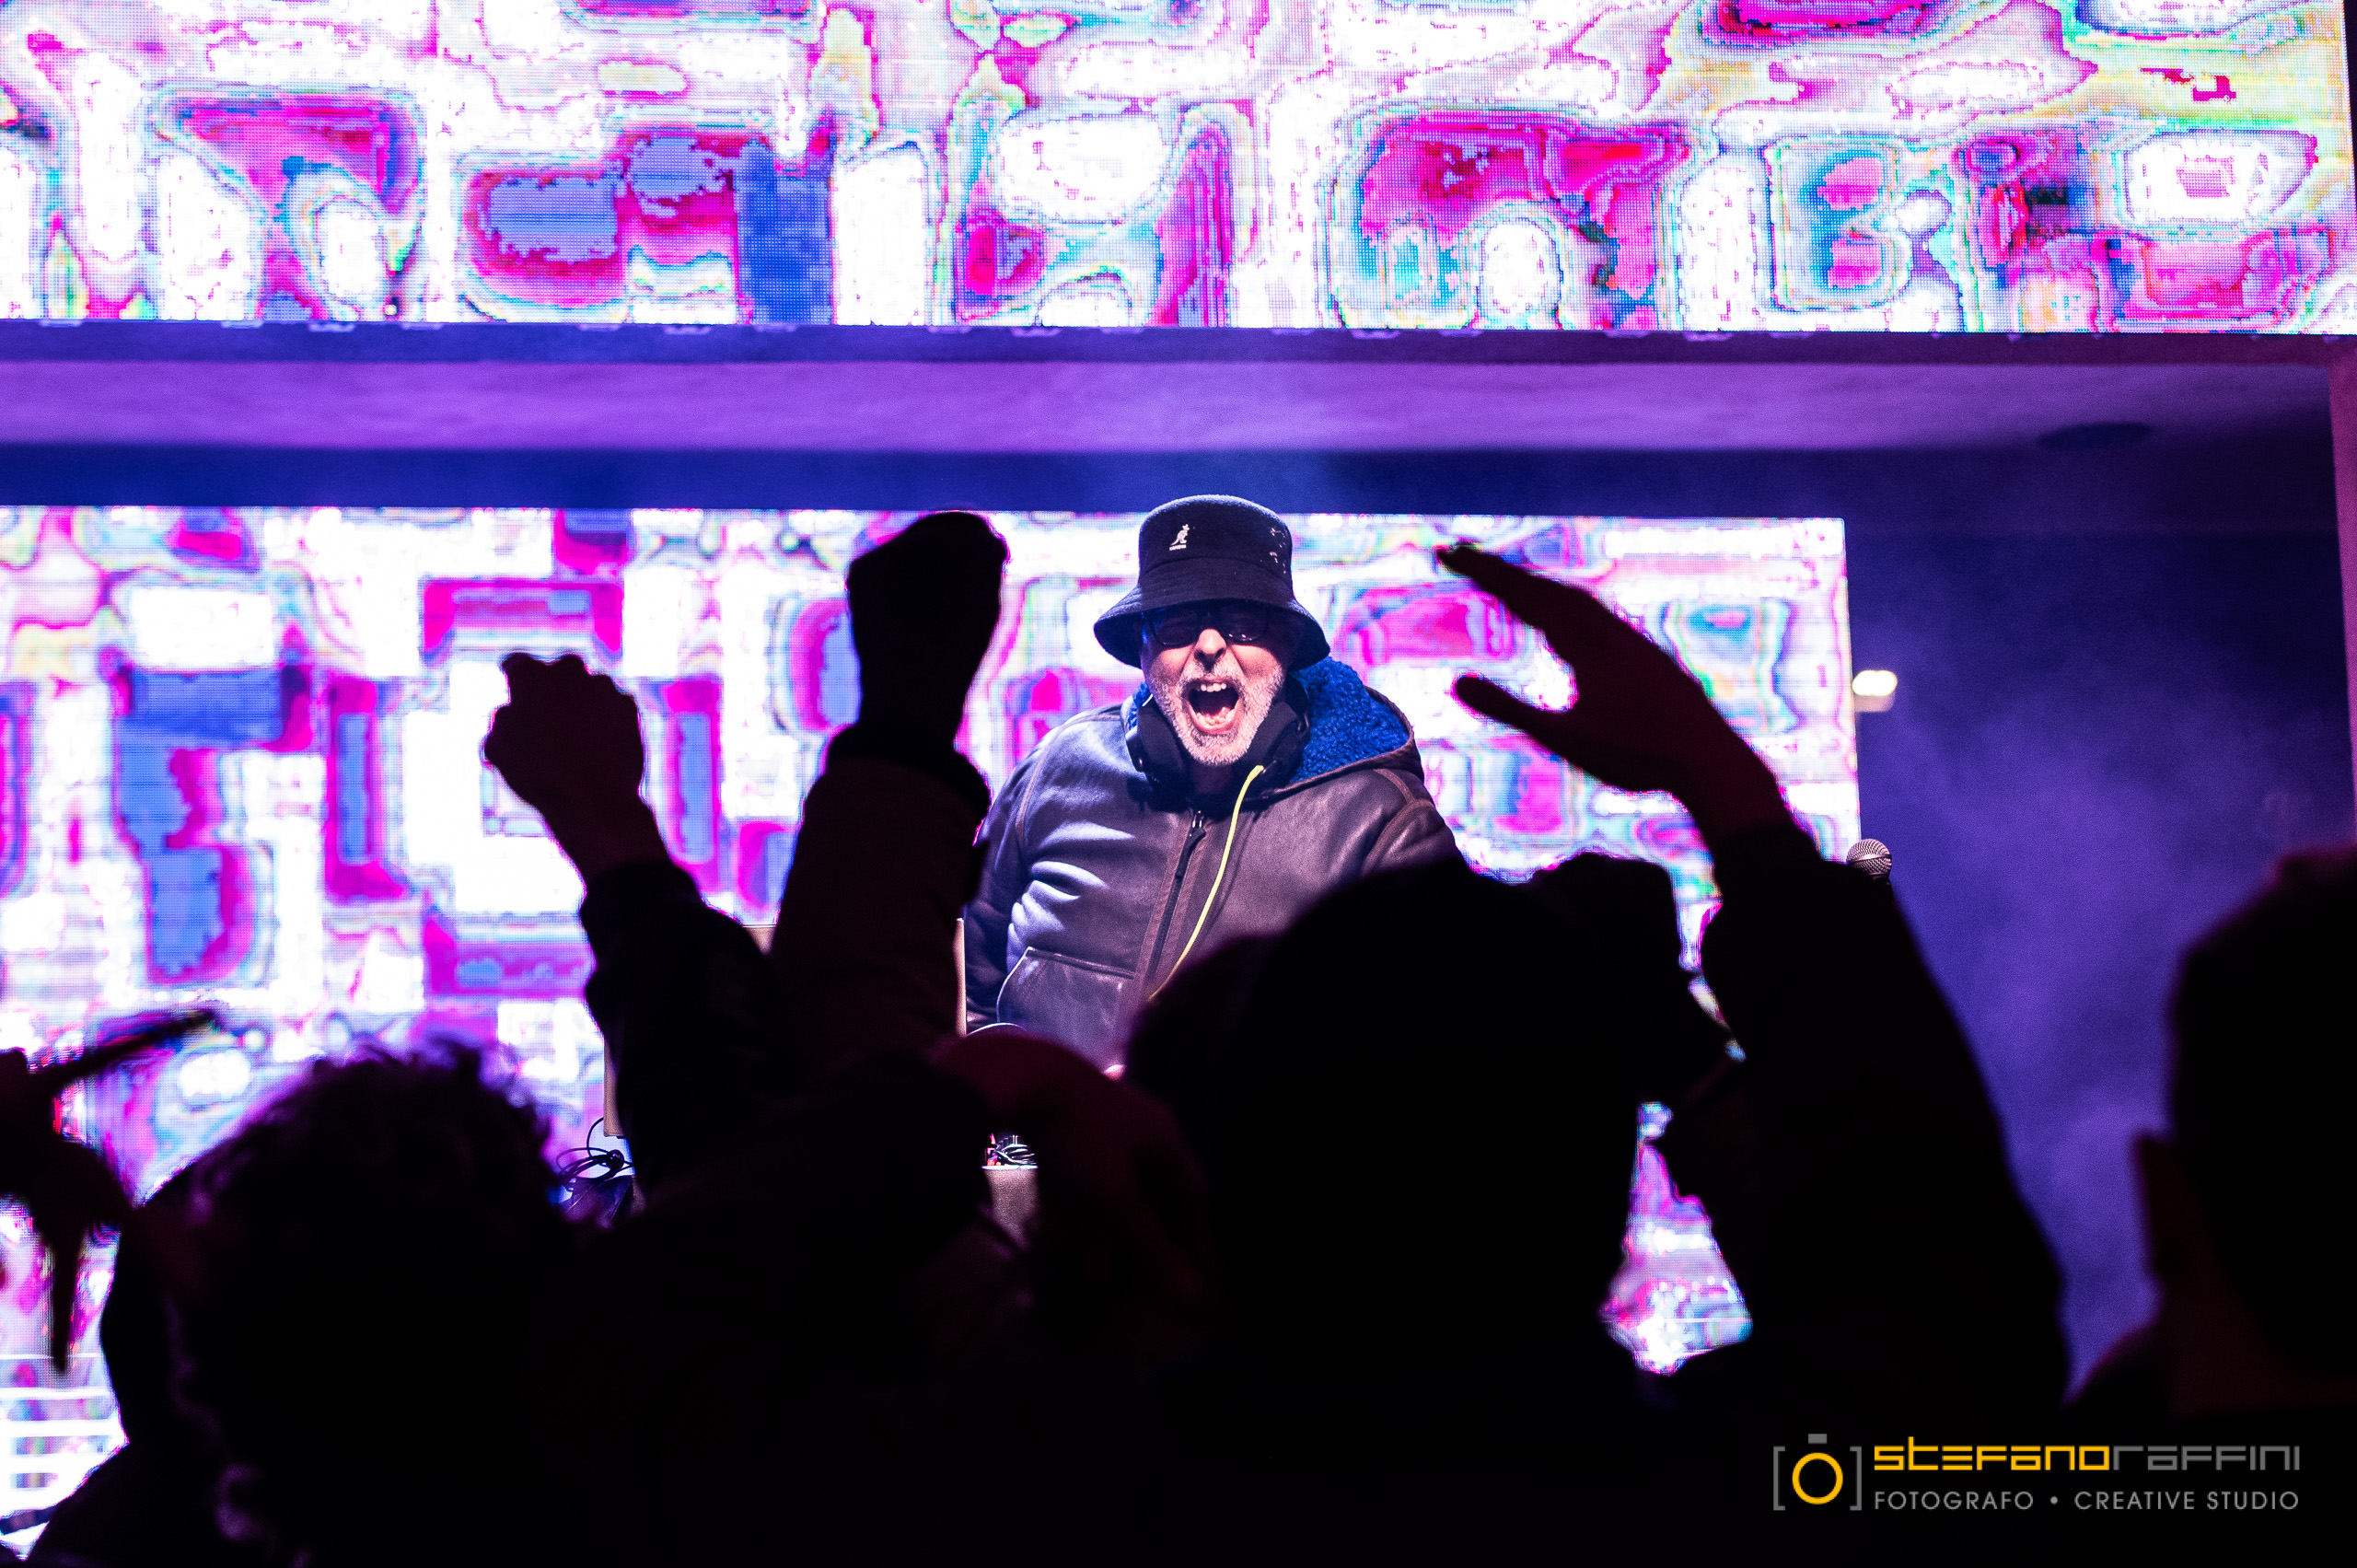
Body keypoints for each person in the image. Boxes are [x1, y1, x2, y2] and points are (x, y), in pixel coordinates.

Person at [1143, 544, 2067, 1563]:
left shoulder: (1083, 1503)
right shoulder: (1753, 1501)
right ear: (1610, 1206)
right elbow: (1937, 1289)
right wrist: (1718, 792)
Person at [965, 495, 1457, 1063]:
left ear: (1287, 646)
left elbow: (1430, 1057)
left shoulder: (1383, 824)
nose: (1208, 646)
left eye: (1244, 623)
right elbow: (966, 989)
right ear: (1143, 648)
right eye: (1177, 622)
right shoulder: (1056, 768)